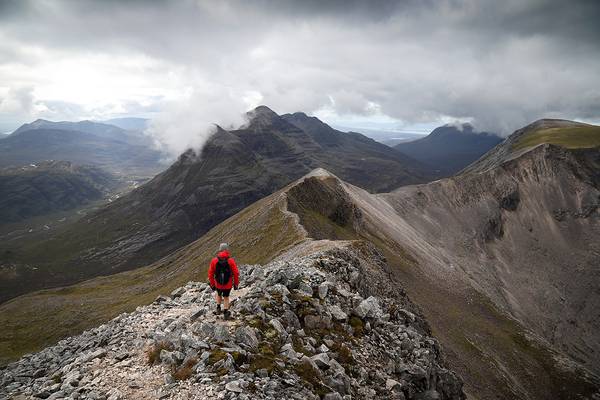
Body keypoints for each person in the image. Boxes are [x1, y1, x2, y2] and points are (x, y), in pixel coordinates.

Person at [208, 243, 240, 320]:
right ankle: (226, 312)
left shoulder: (214, 260)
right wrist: (236, 284)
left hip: (218, 283)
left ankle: (218, 309)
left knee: (218, 294)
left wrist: (212, 284)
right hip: (228, 284)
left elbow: (210, 274)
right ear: (227, 250)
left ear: (220, 250)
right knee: (226, 297)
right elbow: (236, 273)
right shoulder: (231, 261)